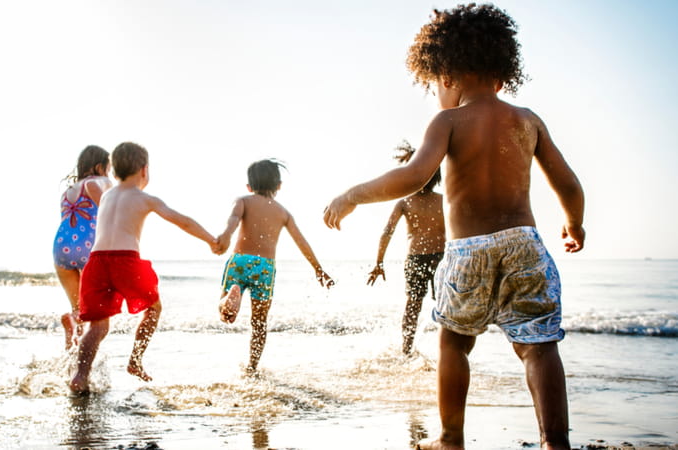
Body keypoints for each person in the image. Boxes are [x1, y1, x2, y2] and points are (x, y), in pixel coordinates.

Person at [323, 4, 585, 449]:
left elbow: (413, 176)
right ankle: (554, 441)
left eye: (432, 85)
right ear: (501, 75)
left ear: (446, 75)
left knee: (454, 343)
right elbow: (567, 183)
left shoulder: (447, 121)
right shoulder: (527, 120)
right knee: (539, 346)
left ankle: (450, 438)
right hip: (525, 244)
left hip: (467, 251)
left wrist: (352, 196)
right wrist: (573, 224)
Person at [69, 142, 218, 394]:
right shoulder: (145, 198)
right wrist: (211, 240)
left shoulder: (106, 195)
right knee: (153, 309)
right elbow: (181, 221)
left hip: (95, 262)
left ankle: (79, 376)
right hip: (125, 261)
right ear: (144, 170)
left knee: (98, 326)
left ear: (114, 172)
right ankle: (135, 361)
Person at [214, 159, 334, 375]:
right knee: (259, 323)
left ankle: (232, 295)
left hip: (240, 260)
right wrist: (318, 269)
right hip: (265, 267)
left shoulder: (243, 201)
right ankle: (251, 367)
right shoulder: (283, 213)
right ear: (279, 185)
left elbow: (232, 221)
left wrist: (224, 236)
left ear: (249, 186)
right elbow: (301, 242)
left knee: (226, 315)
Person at [366, 140, 444, 355]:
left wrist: (379, 262)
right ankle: (411, 349)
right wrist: (378, 262)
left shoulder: (411, 202)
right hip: (433, 258)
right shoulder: (434, 202)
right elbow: (387, 231)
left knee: (417, 304)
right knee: (431, 305)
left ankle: (411, 350)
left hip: (429, 258)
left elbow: (387, 232)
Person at [52, 145, 113, 350]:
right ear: (99, 166)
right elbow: (111, 212)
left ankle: (71, 355)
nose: (110, 173)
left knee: (78, 309)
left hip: (61, 248)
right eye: (109, 168)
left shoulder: (68, 191)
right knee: (99, 315)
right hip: (89, 248)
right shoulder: (100, 182)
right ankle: (81, 365)